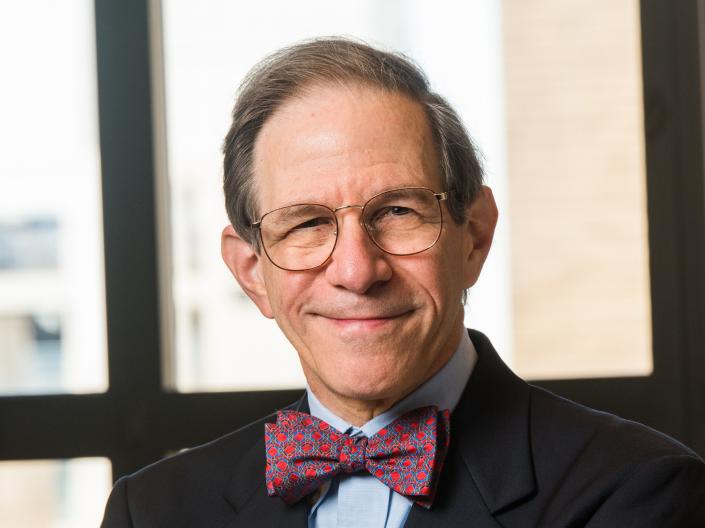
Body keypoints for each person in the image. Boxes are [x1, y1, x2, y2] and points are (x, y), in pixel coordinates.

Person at [101, 38, 705, 527]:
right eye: (307, 223)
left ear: (473, 236)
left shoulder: (637, 493)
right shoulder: (153, 511)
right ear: (253, 272)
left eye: (397, 212)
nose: (358, 271)